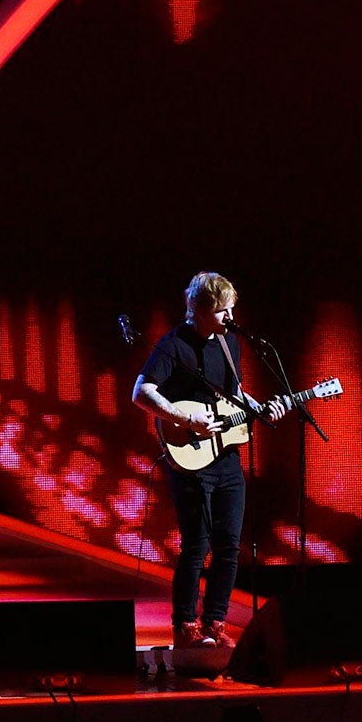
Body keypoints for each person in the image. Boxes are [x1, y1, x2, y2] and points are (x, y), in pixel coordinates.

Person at [130, 271, 291, 648]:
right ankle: (185, 624)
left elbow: (233, 393)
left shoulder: (228, 342)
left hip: (228, 459)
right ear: (200, 309)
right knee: (196, 546)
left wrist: (261, 409)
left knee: (229, 546)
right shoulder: (173, 346)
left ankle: (214, 623)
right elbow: (142, 392)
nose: (230, 317)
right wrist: (185, 418)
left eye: (232, 309)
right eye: (222, 310)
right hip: (190, 460)